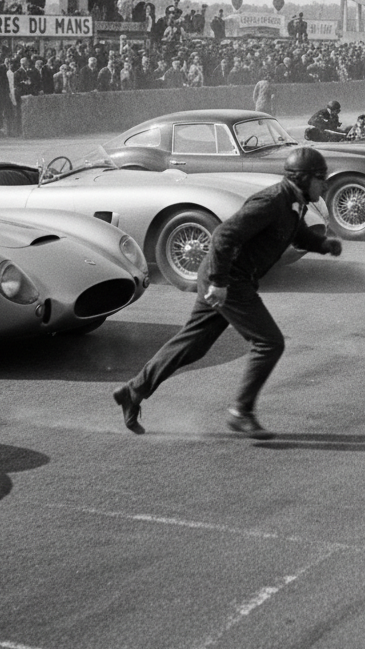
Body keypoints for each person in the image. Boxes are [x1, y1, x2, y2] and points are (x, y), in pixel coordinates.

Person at [112, 148, 343, 439]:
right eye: (321, 178)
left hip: (226, 276)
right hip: (228, 278)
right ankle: (240, 413)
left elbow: (294, 233)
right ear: (303, 178)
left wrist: (324, 245)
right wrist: (219, 283)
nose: (325, 185)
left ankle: (133, 392)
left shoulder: (295, 203)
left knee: (193, 344)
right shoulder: (272, 201)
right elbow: (224, 235)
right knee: (269, 342)